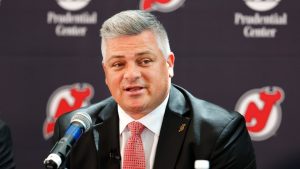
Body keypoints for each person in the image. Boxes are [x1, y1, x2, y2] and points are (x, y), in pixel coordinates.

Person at [53, 10, 256, 169]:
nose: (131, 74)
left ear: (169, 64)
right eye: (118, 64)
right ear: (106, 72)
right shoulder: (75, 130)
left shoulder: (218, 132)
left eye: (145, 61)